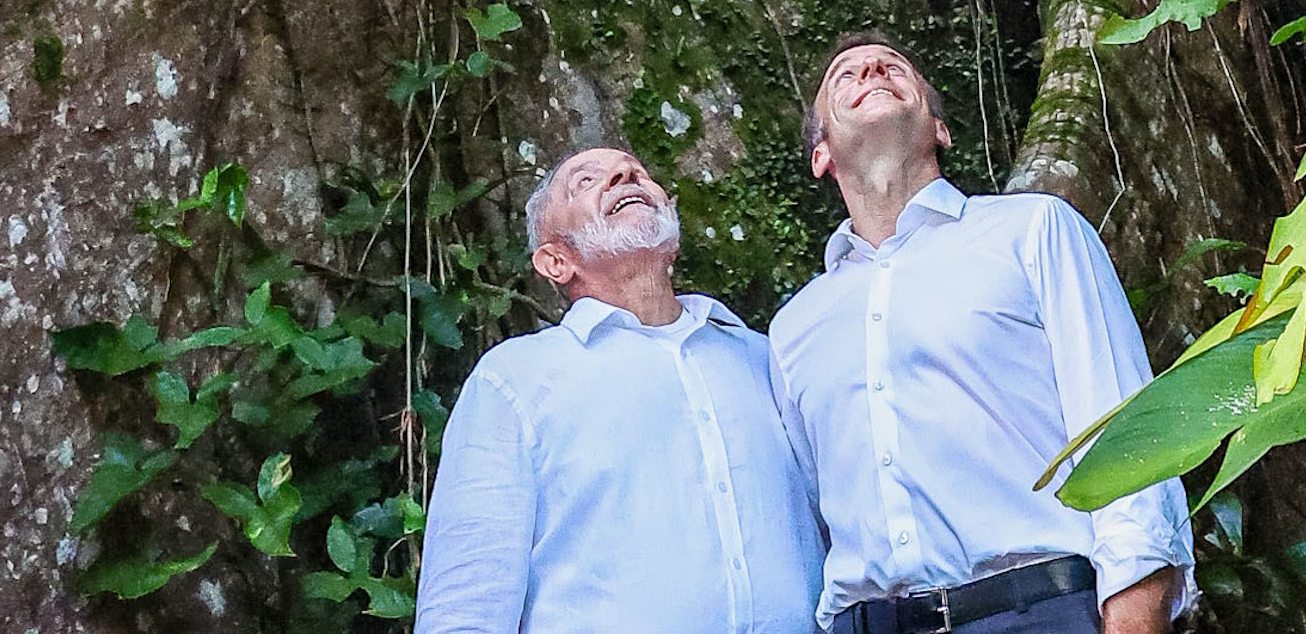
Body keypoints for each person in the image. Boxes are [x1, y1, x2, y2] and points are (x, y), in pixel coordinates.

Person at [768, 33, 1197, 634]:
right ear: (821, 156)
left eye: (894, 67)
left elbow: (1124, 425)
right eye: (845, 75)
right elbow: (812, 517)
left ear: (939, 129)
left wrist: (1136, 609)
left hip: (1040, 608)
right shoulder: (793, 329)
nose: (870, 68)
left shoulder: (1031, 230)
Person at [415, 146, 825, 634]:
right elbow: (464, 610)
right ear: (555, 261)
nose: (624, 174)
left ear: (672, 236)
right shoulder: (514, 381)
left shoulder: (765, 359)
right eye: (586, 182)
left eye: (637, 172)